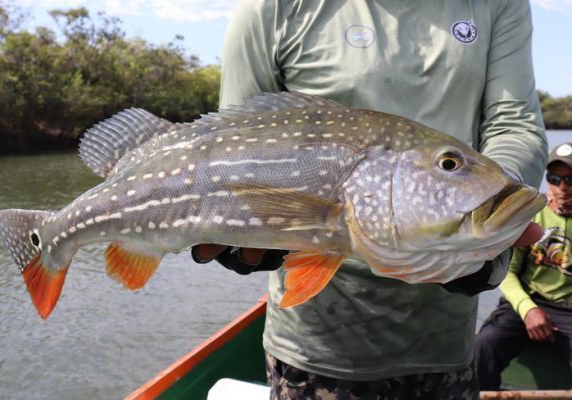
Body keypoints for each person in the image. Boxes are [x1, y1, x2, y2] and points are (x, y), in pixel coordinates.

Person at [193, 1, 548, 398]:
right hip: (311, 348)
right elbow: (231, 142)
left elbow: (514, 122)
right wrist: (244, 236)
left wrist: (491, 227)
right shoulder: (273, 7)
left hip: (445, 344)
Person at [475, 142, 572, 391]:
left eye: (570, 179)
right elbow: (507, 274)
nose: (563, 188)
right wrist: (529, 310)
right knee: (482, 348)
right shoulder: (531, 216)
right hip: (528, 300)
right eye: (554, 178)